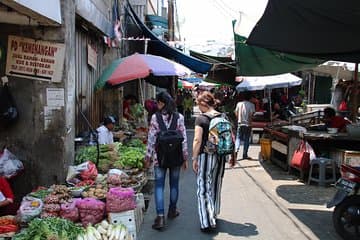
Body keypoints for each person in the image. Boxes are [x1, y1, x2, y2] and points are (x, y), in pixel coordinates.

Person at [144, 91, 188, 231]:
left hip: (159, 158)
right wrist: (185, 158)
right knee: (174, 184)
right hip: (176, 157)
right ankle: (172, 210)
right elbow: (184, 138)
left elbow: (151, 139)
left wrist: (148, 157)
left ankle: (160, 217)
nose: (157, 105)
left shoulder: (155, 118)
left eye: (158, 102)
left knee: (159, 186)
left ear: (162, 103)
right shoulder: (179, 117)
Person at [192, 91, 225, 233]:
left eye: (199, 105)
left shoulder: (201, 119)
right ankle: (214, 213)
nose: (198, 108)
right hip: (221, 156)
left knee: (203, 187)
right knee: (216, 185)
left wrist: (194, 158)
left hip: (206, 156)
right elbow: (230, 136)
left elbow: (197, 140)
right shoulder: (222, 116)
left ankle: (207, 221)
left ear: (203, 104)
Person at [234, 92, 255, 159]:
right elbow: (251, 115)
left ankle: (236, 150)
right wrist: (250, 123)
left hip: (240, 123)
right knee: (246, 139)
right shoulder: (251, 105)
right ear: (250, 98)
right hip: (247, 124)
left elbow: (236, 112)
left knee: (238, 138)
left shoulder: (239, 104)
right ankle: (245, 154)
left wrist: (238, 120)